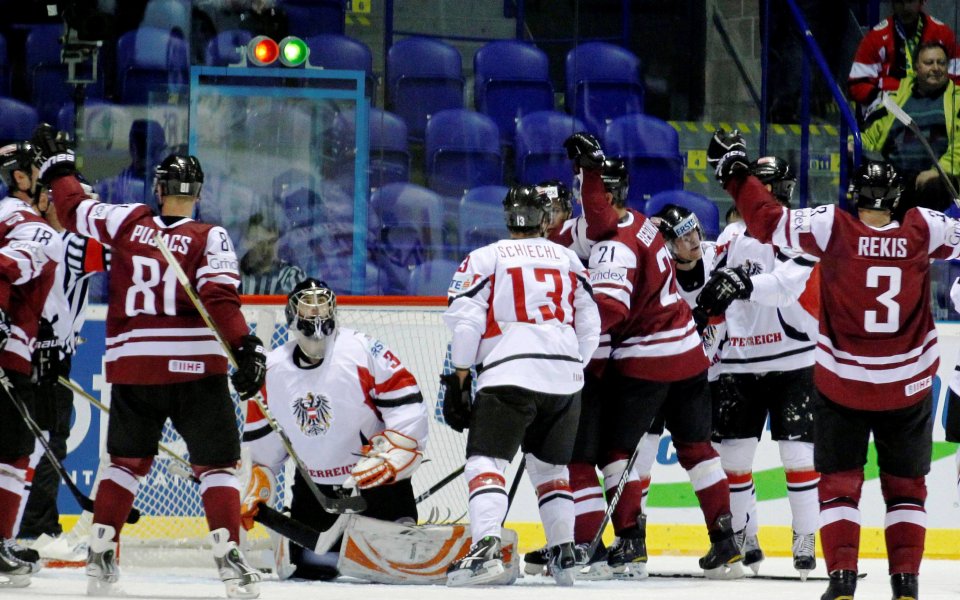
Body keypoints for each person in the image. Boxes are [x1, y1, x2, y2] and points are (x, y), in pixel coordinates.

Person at [709, 128, 960, 600]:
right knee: (907, 490)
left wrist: (738, 174)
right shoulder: (924, 228)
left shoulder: (831, 226)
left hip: (843, 385)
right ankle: (906, 585)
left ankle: (842, 580)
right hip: (905, 388)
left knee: (840, 486)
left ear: (854, 195)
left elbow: (766, 220)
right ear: (896, 199)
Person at [32, 124, 267, 599]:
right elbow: (220, 300)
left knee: (124, 463)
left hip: (135, 366)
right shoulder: (210, 236)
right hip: (197, 369)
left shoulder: (126, 221)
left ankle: (101, 549)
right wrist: (246, 348)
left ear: (158, 189)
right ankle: (227, 556)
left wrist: (59, 168)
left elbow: (75, 210)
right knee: (217, 466)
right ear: (197, 194)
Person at [571, 158, 742, 580]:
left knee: (617, 453)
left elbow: (610, 310)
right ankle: (726, 542)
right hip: (689, 355)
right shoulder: (645, 223)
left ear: (604, 197)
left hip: (647, 361)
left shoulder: (614, 246)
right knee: (698, 450)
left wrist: (570, 342)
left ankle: (630, 543)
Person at [442, 185, 600, 587]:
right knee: (551, 470)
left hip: (509, 373)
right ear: (544, 218)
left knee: (485, 462)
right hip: (566, 379)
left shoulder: (486, 257)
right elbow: (590, 325)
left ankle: (485, 550)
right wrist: (569, 366)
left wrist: (460, 376)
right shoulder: (568, 258)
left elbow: (467, 323)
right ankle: (564, 552)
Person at [239, 278, 428, 581]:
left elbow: (407, 405)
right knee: (310, 569)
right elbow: (265, 454)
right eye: (307, 305)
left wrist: (397, 453)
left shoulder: (362, 348)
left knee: (392, 568)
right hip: (315, 492)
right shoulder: (273, 371)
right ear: (292, 314)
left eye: (322, 304)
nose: (315, 312)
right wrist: (257, 484)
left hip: (374, 486)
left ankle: (390, 529)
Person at [697, 156, 822, 579]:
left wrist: (741, 284)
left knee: (798, 454)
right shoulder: (729, 238)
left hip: (795, 360)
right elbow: (710, 296)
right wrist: (709, 327)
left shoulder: (799, 235)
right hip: (739, 362)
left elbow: (783, 291)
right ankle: (746, 537)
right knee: (733, 458)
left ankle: (805, 539)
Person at [16, 186, 108, 561]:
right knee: (48, 441)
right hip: (43, 359)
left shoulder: (26, 234)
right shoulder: (68, 243)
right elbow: (114, 253)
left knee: (32, 442)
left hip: (26, 352)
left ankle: (31, 525)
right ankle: (36, 530)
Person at [0, 141, 62, 587]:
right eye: (42, 173)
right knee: (12, 452)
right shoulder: (34, 227)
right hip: (6, 355)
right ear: (21, 178)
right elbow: (7, 268)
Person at [862, 40, 960, 214]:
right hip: (897, 176)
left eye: (941, 63)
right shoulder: (895, 99)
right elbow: (871, 137)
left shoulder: (957, 100)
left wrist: (939, 171)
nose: (936, 68)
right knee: (873, 181)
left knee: (934, 187)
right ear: (916, 68)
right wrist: (852, 144)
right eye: (929, 63)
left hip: (937, 178)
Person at [848, 0, 960, 114]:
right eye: (900, 1)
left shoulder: (942, 33)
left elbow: (958, 79)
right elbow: (857, 84)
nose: (905, 7)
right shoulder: (876, 38)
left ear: (921, 2)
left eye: (910, 1)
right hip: (891, 112)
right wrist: (882, 99)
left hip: (936, 110)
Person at [95, 119, 167, 211]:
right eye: (153, 150)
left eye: (161, 150)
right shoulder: (107, 190)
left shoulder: (166, 190)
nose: (159, 158)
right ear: (133, 149)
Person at [239, 213, 306, 295]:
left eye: (271, 242)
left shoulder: (291, 275)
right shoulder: (235, 273)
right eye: (259, 242)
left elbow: (294, 304)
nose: (266, 249)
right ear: (246, 242)